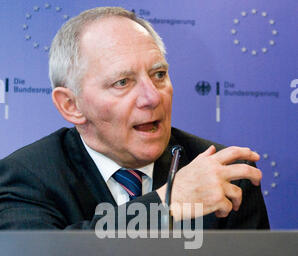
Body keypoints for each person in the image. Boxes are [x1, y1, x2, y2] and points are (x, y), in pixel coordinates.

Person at [0, 6, 269, 230]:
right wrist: (165, 205)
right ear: (71, 105)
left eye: (159, 75)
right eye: (122, 82)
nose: (152, 97)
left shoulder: (223, 174)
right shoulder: (27, 178)